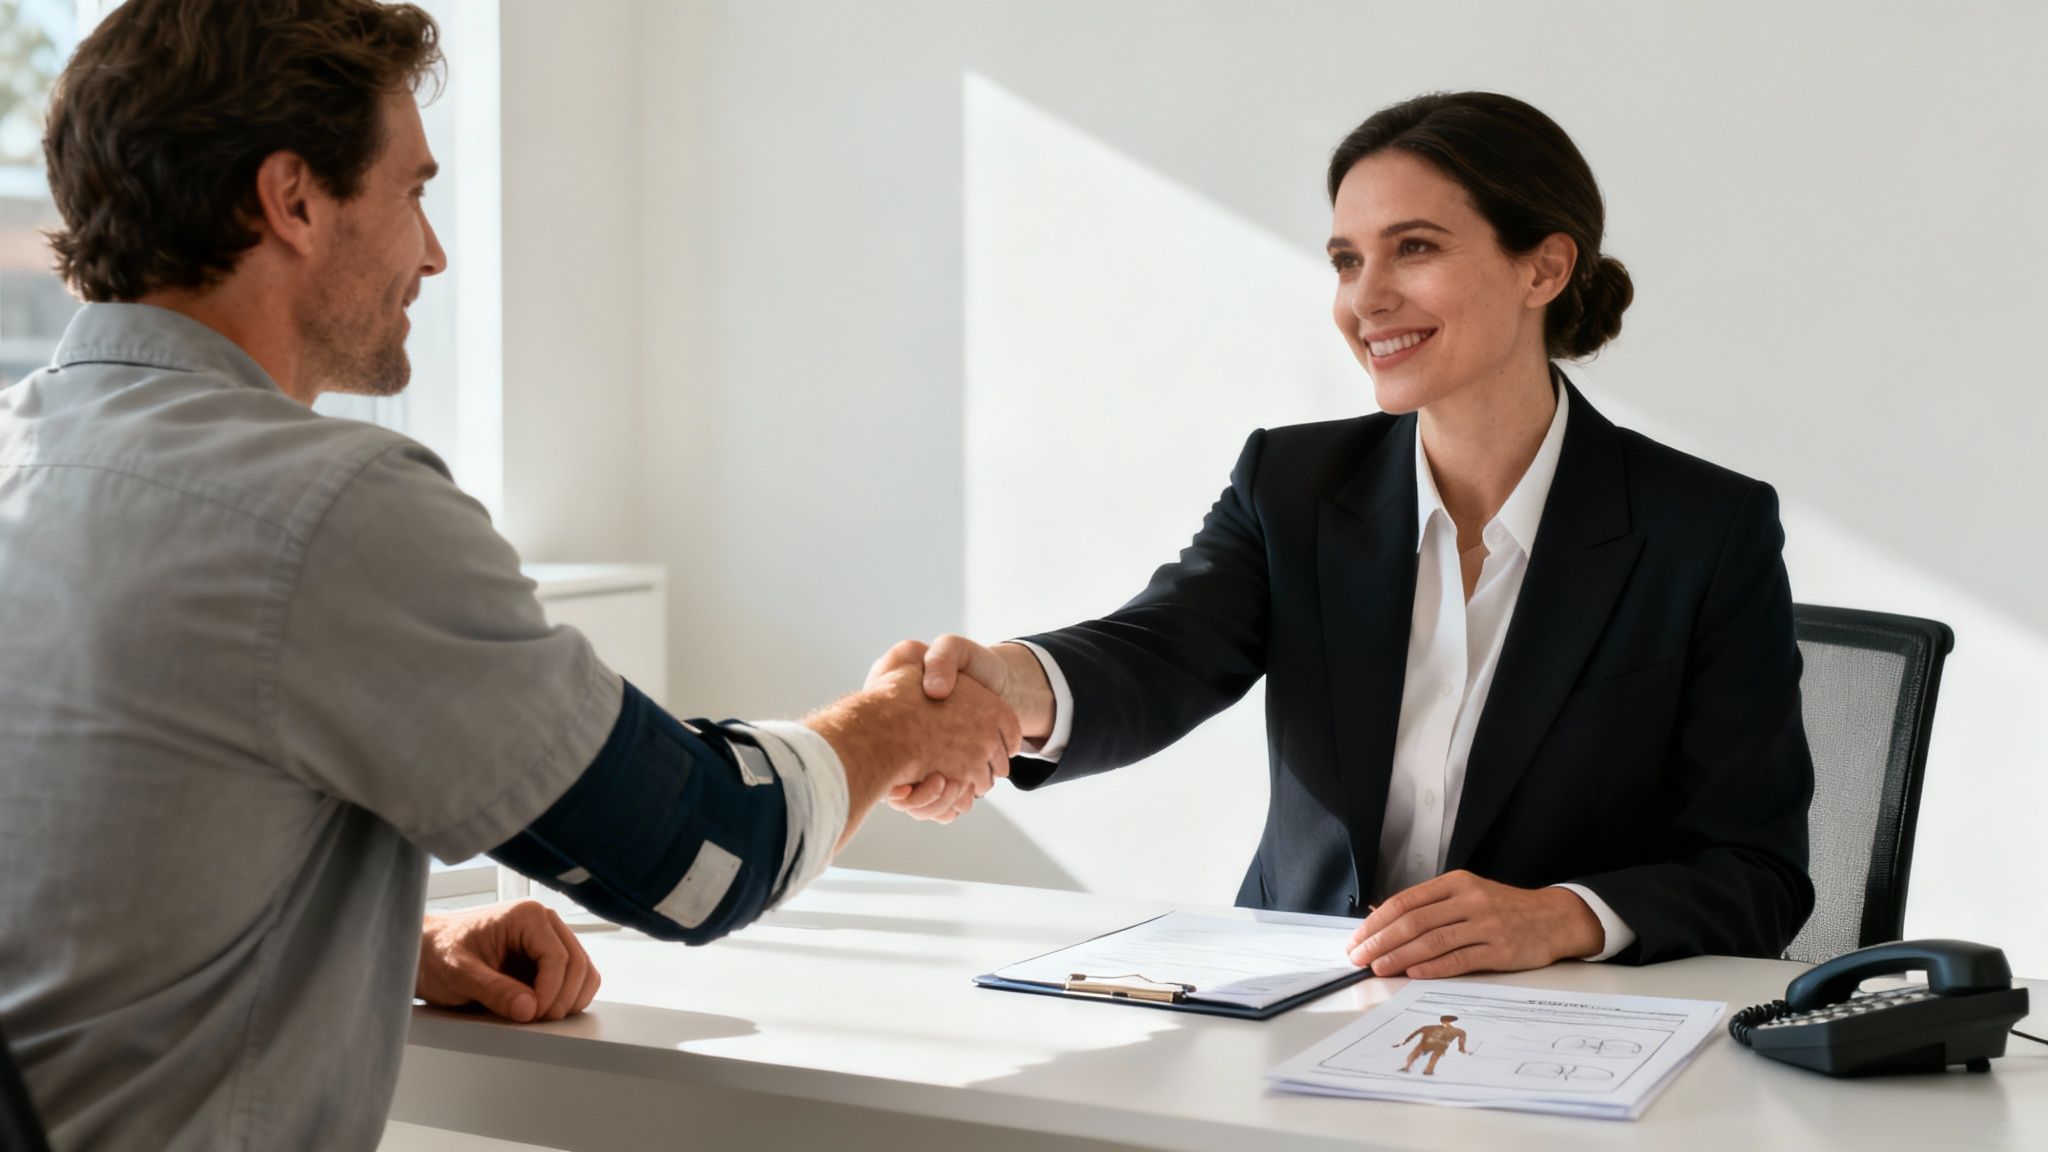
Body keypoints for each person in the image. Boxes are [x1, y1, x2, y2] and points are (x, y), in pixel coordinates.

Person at [0, 2, 1016, 1149]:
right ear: (290, 200)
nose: (431, 252)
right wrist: (893, 726)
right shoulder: (326, 508)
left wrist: (387, 948)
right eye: (412, 192)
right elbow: (700, 853)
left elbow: (80, 874)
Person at [892, 91, 1814, 975]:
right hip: (1301, 998)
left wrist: (1558, 918)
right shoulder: (1291, 486)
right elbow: (1159, 652)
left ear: (1544, 267)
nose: (1365, 299)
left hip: (1558, 1028)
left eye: (1413, 248)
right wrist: (1004, 684)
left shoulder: (1703, 530)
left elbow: (1757, 874)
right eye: (1345, 259)